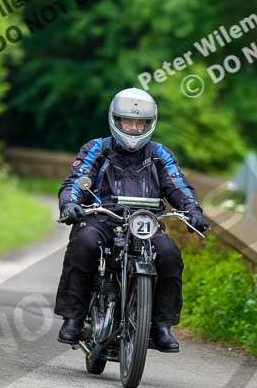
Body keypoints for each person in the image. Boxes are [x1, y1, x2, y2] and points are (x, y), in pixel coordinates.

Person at [55, 87, 209, 353]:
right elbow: (75, 181)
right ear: (115, 120)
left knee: (169, 254)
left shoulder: (160, 154)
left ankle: (161, 326)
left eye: (141, 123)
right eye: (128, 121)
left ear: (150, 124)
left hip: (145, 223)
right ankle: (74, 317)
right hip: (103, 218)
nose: (134, 128)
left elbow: (177, 184)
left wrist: (192, 209)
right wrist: (70, 203)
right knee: (84, 243)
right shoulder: (97, 149)